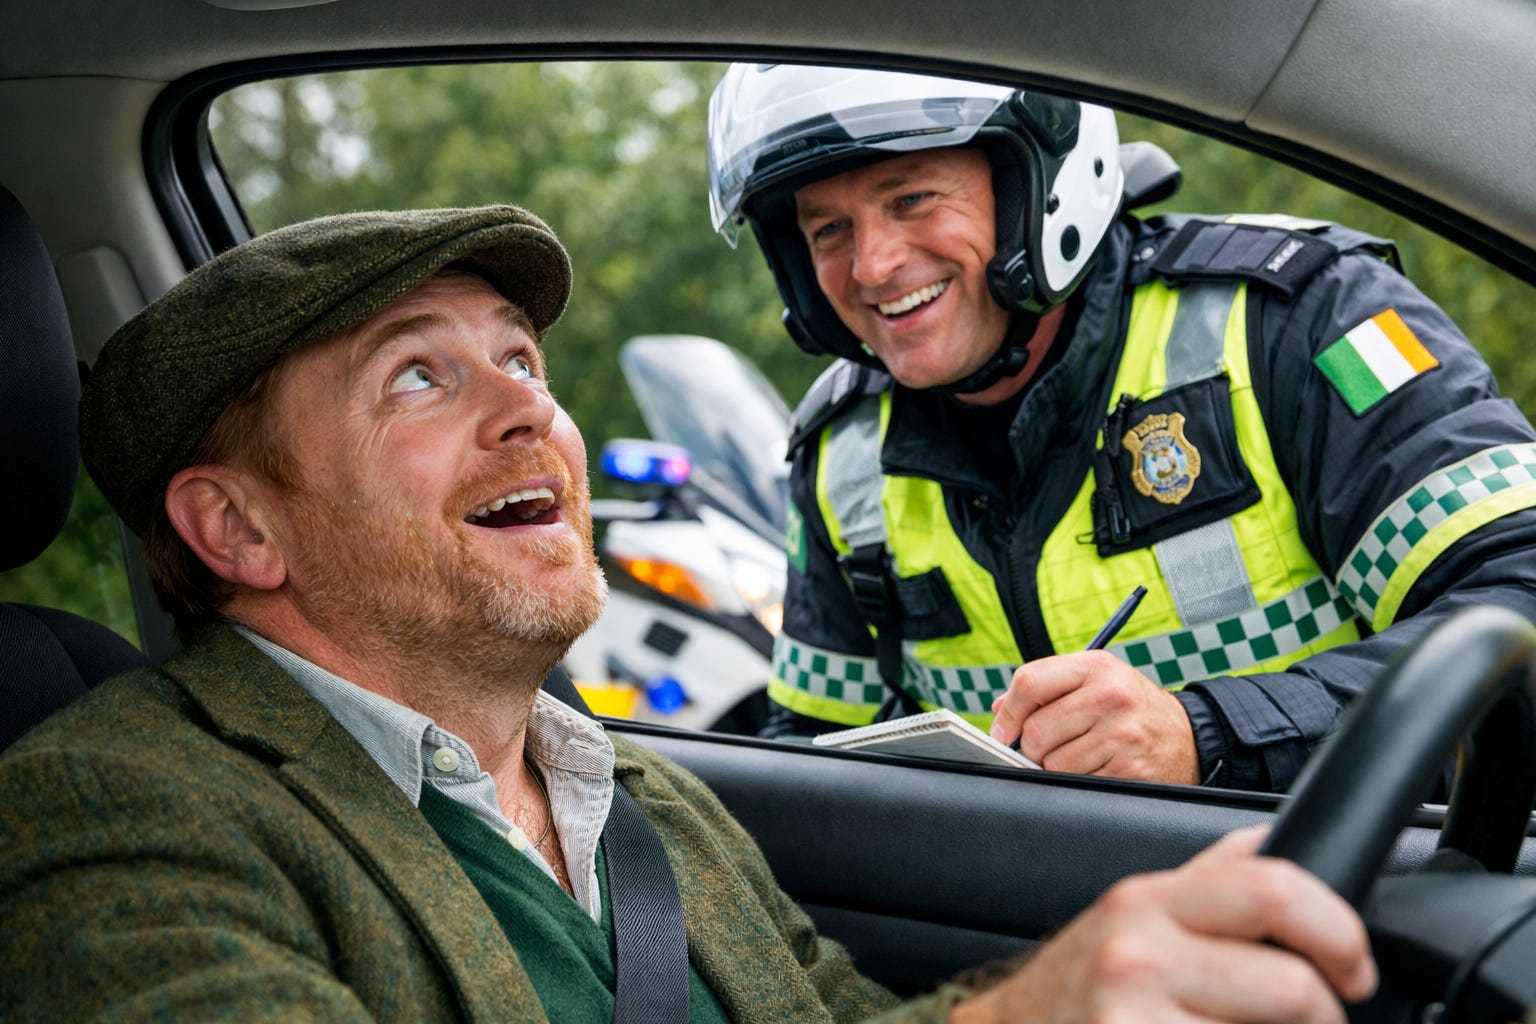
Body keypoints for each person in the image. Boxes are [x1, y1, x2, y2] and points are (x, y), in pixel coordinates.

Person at [0, 204, 1376, 1021]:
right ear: (239, 528)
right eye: (418, 377)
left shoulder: (642, 794)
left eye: (522, 360)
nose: (531, 411)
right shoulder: (104, 809)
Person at [705, 63, 1536, 791]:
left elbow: (1518, 612)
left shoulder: (1303, 319)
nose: (873, 265)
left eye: (912, 198)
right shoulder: (842, 449)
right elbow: (811, 755)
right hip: (1022, 910)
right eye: (829, 230)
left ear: (1039, 183)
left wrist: (1206, 734)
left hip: (1358, 895)